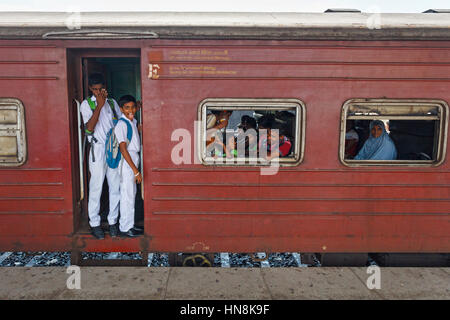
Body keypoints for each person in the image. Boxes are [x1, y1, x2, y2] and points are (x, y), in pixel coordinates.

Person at [80, 73, 122, 239]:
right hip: (97, 149)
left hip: (113, 148)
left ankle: (113, 222)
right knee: (96, 186)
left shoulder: (112, 103)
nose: (98, 92)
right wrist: (98, 105)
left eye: (100, 89)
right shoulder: (86, 104)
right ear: (91, 89)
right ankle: (95, 224)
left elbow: (121, 123)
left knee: (115, 186)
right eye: (95, 90)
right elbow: (89, 128)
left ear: (105, 87)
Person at [115, 95, 143, 237]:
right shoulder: (121, 124)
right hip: (127, 162)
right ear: (121, 109)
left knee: (131, 194)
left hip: (133, 158)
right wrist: (135, 171)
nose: (130, 110)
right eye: (127, 108)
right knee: (127, 195)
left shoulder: (132, 121)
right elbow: (123, 149)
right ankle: (125, 228)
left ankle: (129, 225)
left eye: (132, 107)